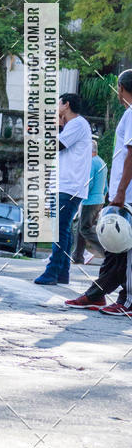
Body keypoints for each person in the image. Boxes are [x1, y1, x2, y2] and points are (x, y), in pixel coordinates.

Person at [66, 70, 132, 316]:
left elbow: (131, 156)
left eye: (118, 87)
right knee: (116, 249)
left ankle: (127, 300)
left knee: (124, 250)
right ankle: (96, 294)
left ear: (122, 88)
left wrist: (120, 194)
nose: (117, 92)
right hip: (123, 194)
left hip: (127, 196)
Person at [35, 93, 92, 286]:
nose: (56, 107)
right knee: (63, 229)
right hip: (66, 185)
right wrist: (59, 125)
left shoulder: (77, 123)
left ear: (66, 105)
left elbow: (54, 145)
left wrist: (54, 126)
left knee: (59, 229)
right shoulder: (73, 126)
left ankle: (53, 271)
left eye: (58, 103)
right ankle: (62, 272)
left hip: (69, 186)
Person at [71, 140, 107, 264]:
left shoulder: (91, 163)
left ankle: (107, 253)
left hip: (90, 200)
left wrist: (79, 194)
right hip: (99, 200)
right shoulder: (102, 162)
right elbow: (105, 186)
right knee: (81, 227)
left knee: (85, 229)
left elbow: (89, 183)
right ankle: (77, 256)